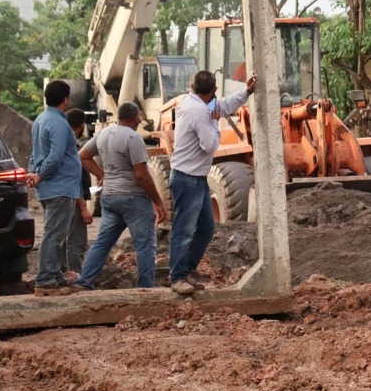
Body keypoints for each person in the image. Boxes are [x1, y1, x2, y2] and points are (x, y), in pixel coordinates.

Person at [168, 68, 257, 295]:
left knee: (206, 228)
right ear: (214, 89)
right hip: (187, 179)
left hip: (195, 179)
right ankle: (178, 276)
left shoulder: (197, 102)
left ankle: (186, 272)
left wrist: (246, 92)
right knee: (184, 230)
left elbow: (224, 105)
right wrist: (216, 123)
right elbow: (210, 145)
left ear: (193, 86)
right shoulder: (198, 111)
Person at [75, 102, 167, 290]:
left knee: (103, 242)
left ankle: (84, 282)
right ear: (136, 118)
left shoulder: (103, 133)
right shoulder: (134, 138)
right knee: (145, 246)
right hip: (133, 198)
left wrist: (102, 175)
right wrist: (158, 202)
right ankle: (146, 288)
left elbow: (82, 156)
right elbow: (141, 175)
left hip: (109, 196)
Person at [27, 80, 83, 295]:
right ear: (66, 99)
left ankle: (56, 276)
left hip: (49, 186)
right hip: (60, 186)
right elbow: (56, 156)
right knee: (55, 234)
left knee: (55, 232)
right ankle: (47, 279)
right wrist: (40, 175)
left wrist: (34, 173)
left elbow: (36, 153)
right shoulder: (59, 124)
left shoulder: (40, 120)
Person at [64, 107, 94, 276]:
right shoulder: (71, 149)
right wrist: (82, 207)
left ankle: (66, 273)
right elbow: (72, 180)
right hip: (74, 201)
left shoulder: (64, 144)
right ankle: (75, 276)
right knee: (76, 243)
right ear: (82, 126)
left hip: (66, 199)